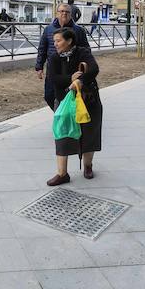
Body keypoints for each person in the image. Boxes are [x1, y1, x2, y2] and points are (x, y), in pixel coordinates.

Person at [36, 27, 102, 186]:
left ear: (69, 40)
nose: (55, 44)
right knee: (62, 134)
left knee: (89, 133)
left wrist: (80, 80)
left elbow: (94, 69)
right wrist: (70, 79)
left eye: (58, 41)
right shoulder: (54, 58)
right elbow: (53, 79)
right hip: (64, 101)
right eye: (54, 41)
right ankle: (62, 173)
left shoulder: (83, 53)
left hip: (88, 100)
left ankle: (88, 166)